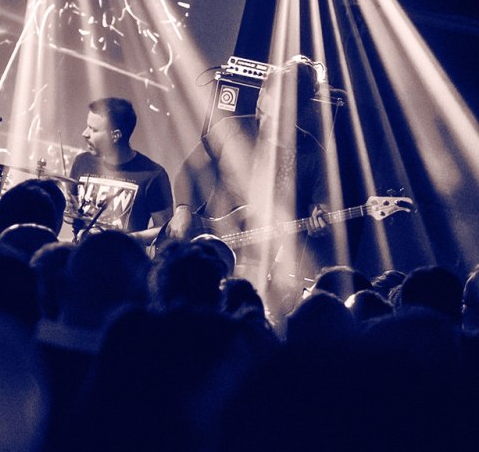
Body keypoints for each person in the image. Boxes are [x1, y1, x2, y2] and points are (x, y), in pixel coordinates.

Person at [167, 56, 330, 292]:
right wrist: (182, 209)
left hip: (258, 266)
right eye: (260, 110)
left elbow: (320, 210)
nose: (262, 121)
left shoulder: (313, 155)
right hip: (205, 246)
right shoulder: (232, 128)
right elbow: (189, 169)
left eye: (274, 117)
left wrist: (319, 222)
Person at [69, 96, 173, 242]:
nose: (85, 133)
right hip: (80, 253)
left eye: (94, 129)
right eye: (87, 126)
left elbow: (165, 229)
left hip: (122, 256)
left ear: (115, 136)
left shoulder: (153, 175)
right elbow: (71, 211)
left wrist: (124, 240)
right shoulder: (82, 162)